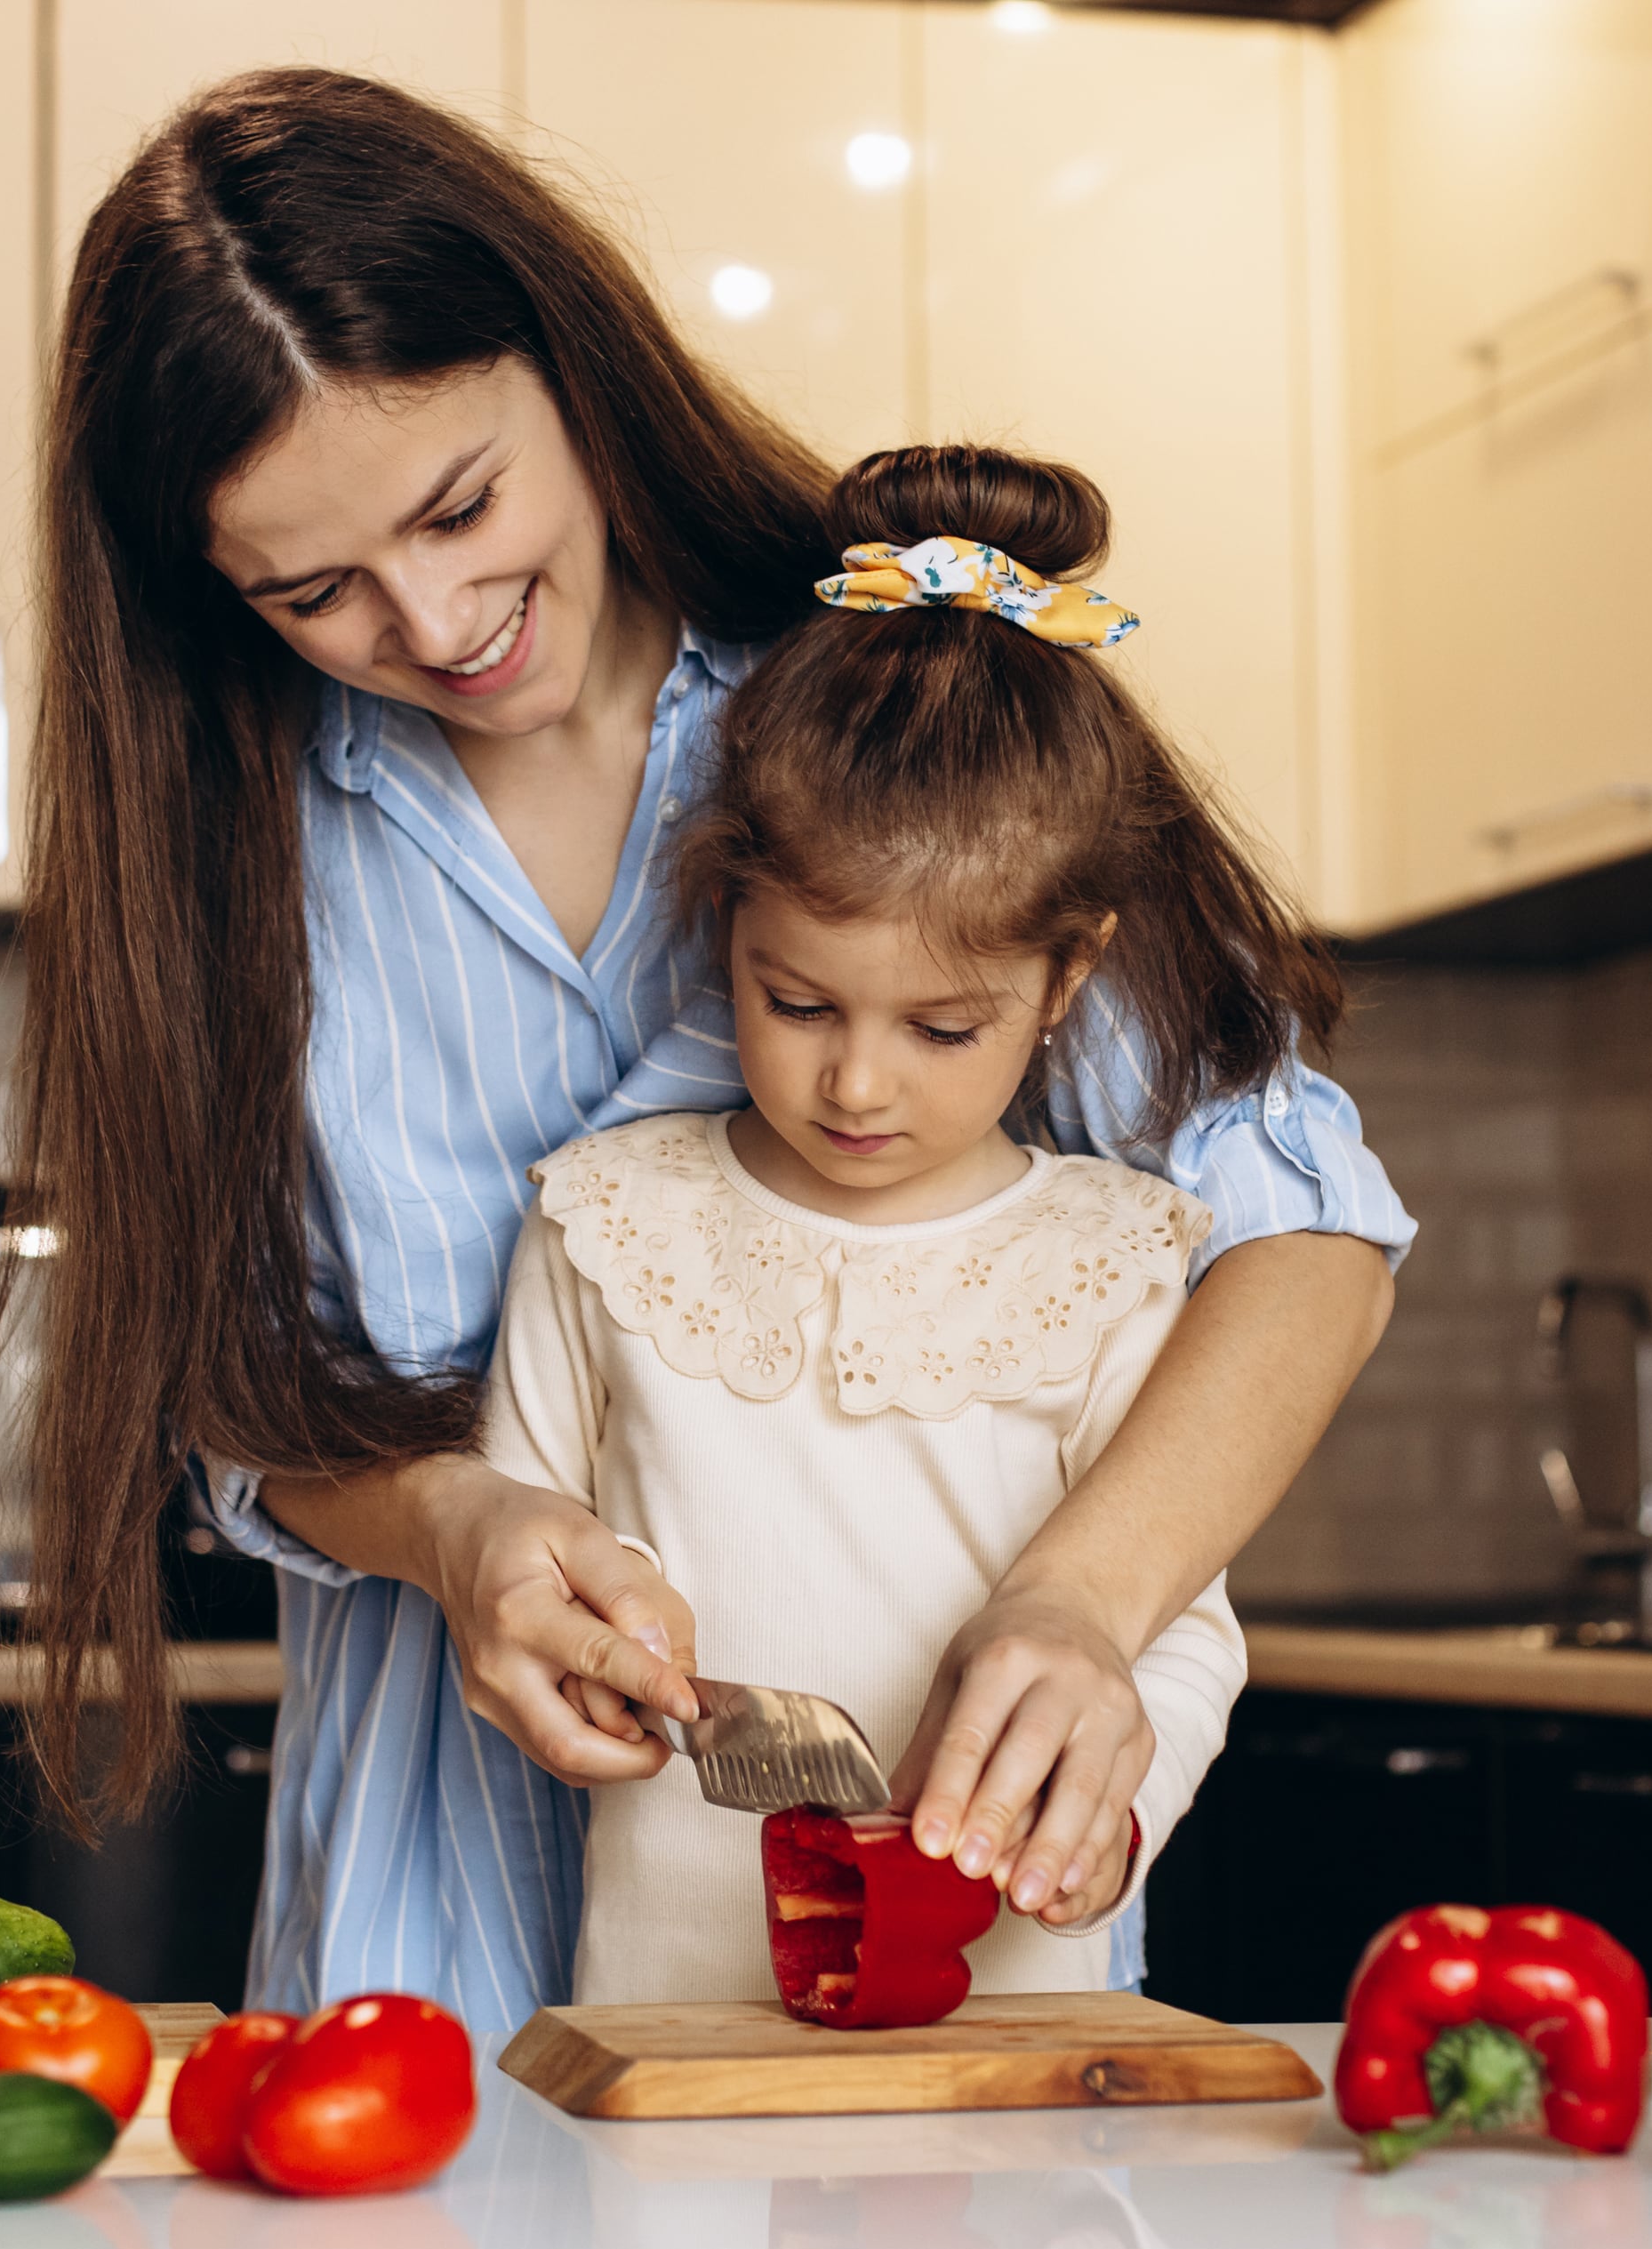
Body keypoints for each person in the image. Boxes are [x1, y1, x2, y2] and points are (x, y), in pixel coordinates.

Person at [3, 67, 1414, 2038]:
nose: (433, 618)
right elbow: (232, 1387)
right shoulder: (222, 846)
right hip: (415, 1935)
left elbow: (1307, 1233)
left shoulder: (899, 711)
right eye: (313, 589)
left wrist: (1084, 1604)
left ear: (574, 369)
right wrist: (453, 1521)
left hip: (925, 1955)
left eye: (460, 501)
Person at [490, 446, 1267, 2004]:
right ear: (727, 930)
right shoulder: (605, 1225)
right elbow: (526, 1557)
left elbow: (1187, 1641)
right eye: (796, 1003)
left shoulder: (1118, 1266)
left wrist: (1109, 1817)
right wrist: (573, 1661)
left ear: (1066, 981)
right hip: (668, 2016)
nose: (854, 1081)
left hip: (1016, 2020)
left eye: (943, 1028)